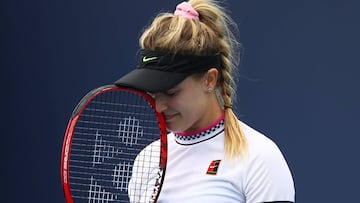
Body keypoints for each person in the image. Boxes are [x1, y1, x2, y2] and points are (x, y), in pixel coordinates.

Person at [115, 0, 295, 202]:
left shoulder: (260, 157)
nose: (159, 106)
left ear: (210, 80)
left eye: (172, 93)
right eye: (154, 94)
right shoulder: (146, 162)